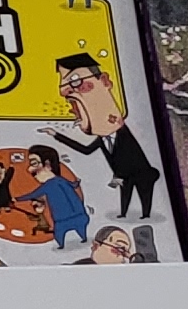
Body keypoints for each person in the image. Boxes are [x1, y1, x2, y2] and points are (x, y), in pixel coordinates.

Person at [49, 52, 162, 221]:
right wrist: (56, 135)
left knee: (143, 194)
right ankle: (124, 213)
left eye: (75, 80)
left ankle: (145, 214)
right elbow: (85, 150)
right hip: (124, 176)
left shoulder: (122, 132)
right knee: (125, 193)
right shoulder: (102, 138)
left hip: (141, 174)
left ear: (104, 81)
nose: (66, 91)